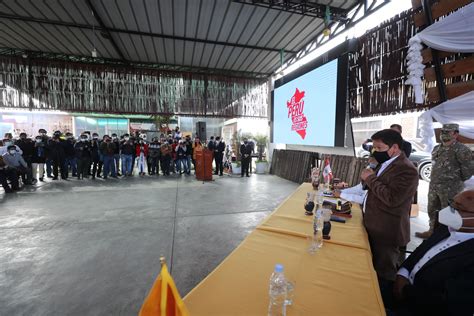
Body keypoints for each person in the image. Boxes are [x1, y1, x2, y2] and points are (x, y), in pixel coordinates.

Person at [391, 189, 474, 316]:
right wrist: (402, 274)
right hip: (399, 289)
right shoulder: (446, 228)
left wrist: (404, 290)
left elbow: (448, 303)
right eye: (451, 203)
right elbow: (417, 253)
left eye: (458, 208)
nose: (450, 211)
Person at [360, 129, 418, 284]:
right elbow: (372, 189)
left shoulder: (407, 170)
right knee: (370, 268)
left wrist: (370, 178)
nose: (375, 152)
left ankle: (386, 304)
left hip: (387, 230)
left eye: (379, 148)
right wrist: (367, 178)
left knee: (384, 272)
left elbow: (392, 199)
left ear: (395, 148)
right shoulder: (385, 162)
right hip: (373, 224)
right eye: (374, 148)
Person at [416, 123, 473, 239]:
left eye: (447, 132)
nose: (444, 134)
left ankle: (444, 235)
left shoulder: (461, 150)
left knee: (448, 212)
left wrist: (454, 181)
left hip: (451, 188)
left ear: (456, 134)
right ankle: (432, 231)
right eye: (443, 132)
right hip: (434, 186)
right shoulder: (437, 148)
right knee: (432, 209)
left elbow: (468, 171)